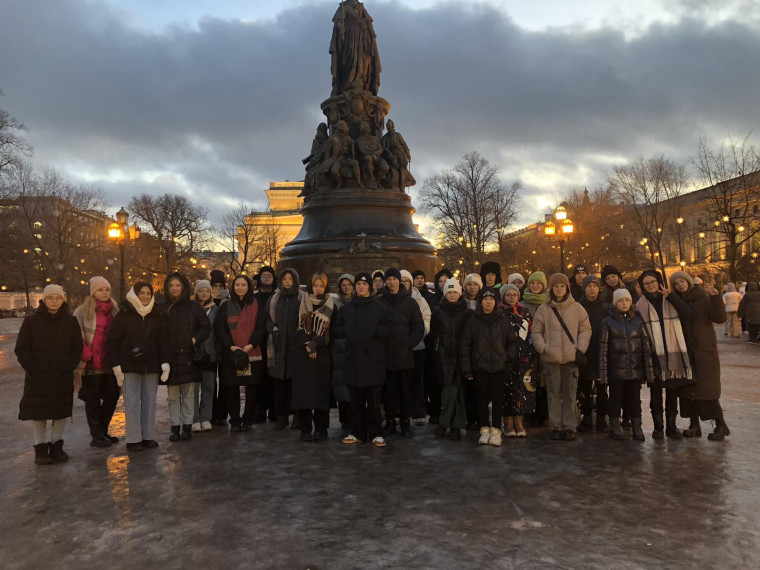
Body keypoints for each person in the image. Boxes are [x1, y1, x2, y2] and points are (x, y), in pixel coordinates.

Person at [16, 284, 83, 465]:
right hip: (38, 376)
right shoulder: (31, 322)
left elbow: (77, 347)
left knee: (60, 411)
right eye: (50, 297)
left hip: (62, 374)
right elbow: (22, 348)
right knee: (39, 413)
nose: (54, 301)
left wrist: (69, 365)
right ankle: (40, 447)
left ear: (63, 300)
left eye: (58, 298)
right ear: (44, 299)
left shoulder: (70, 321)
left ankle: (56, 445)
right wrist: (32, 367)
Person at [107, 282, 169, 452]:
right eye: (141, 293)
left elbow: (162, 341)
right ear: (135, 294)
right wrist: (116, 366)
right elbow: (113, 341)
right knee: (132, 402)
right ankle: (134, 438)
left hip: (151, 365)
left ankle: (148, 436)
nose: (145, 296)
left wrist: (165, 362)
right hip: (129, 366)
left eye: (148, 293)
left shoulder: (157, 314)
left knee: (150, 402)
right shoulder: (123, 314)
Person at [669, 271, 730, 441]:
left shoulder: (703, 297)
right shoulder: (676, 301)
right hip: (686, 351)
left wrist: (716, 298)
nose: (680, 285)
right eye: (676, 283)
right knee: (688, 391)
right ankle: (694, 425)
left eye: (682, 281)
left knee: (707, 391)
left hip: (704, 351)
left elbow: (719, 318)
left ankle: (721, 425)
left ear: (688, 281)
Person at [335, 272, 392, 447]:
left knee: (374, 403)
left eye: (364, 283)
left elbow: (390, 329)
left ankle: (376, 433)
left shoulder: (380, 307)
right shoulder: (346, 309)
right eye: (358, 283)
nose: (360, 286)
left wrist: (375, 332)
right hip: (353, 360)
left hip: (373, 360)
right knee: (356, 402)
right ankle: (357, 432)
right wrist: (348, 331)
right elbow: (337, 330)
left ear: (370, 287)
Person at [532, 273, 591, 441]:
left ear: (567, 288)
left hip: (571, 359)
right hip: (551, 359)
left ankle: (570, 426)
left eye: (562, 286)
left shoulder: (577, 308)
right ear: (551, 289)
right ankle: (556, 426)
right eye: (556, 286)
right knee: (553, 394)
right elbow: (536, 332)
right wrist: (543, 348)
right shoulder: (543, 309)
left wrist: (579, 349)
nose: (559, 289)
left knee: (570, 393)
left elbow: (585, 329)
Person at [636, 269, 690, 439]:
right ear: (642, 287)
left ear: (659, 282)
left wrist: (671, 297)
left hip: (674, 354)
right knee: (656, 393)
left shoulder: (670, 299)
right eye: (646, 283)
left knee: (672, 391)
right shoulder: (640, 305)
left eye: (653, 282)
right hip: (653, 354)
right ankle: (658, 427)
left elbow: (688, 314)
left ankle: (671, 427)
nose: (650, 285)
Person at [159, 272, 211, 442]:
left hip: (189, 355)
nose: (174, 289)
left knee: (188, 394)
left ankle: (187, 426)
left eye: (177, 285)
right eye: (171, 286)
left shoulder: (193, 307)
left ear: (184, 287)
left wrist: (195, 338)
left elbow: (205, 326)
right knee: (173, 396)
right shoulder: (162, 307)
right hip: (170, 357)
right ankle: (175, 427)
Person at [460, 287, 515, 446]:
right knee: (482, 400)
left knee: (498, 400)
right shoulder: (473, 321)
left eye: (491, 299)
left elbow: (512, 342)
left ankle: (497, 430)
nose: (488, 302)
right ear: (480, 302)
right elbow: (465, 345)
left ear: (496, 302)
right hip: (480, 367)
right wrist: (467, 368)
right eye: (485, 299)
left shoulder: (503, 320)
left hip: (499, 368)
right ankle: (484, 428)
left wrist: (507, 359)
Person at [599, 289, 653, 441]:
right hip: (616, 371)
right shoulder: (607, 322)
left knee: (635, 400)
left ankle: (637, 427)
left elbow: (646, 347)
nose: (624, 303)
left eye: (627, 300)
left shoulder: (637, 321)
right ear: (615, 303)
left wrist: (648, 371)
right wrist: (603, 374)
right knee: (615, 399)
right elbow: (603, 349)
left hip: (634, 370)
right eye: (621, 301)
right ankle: (615, 427)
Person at [73, 276, 121, 448]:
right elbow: (76, 334)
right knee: (92, 402)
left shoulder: (115, 310)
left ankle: (103, 430)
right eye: (100, 290)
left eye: (107, 290)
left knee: (112, 397)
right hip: (91, 365)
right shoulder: (82, 311)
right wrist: (85, 351)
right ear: (93, 292)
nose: (104, 293)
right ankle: (96, 435)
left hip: (110, 363)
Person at [214, 275, 266, 433]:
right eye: (238, 284)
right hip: (232, 353)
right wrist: (231, 347)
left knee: (252, 389)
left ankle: (248, 420)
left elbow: (261, 327)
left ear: (249, 287)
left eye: (244, 284)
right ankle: (235, 420)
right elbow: (220, 328)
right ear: (233, 287)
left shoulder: (256, 304)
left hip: (252, 352)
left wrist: (251, 345)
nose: (240, 287)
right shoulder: (226, 306)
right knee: (231, 388)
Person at [378, 267, 425, 437]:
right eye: (388, 279)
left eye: (394, 279)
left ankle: (405, 421)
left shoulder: (410, 302)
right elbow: (376, 325)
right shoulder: (380, 301)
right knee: (389, 390)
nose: (391, 282)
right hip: (387, 354)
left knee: (405, 389)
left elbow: (418, 326)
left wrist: (409, 344)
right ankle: (391, 420)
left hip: (404, 354)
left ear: (400, 281)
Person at [289, 274, 335, 442]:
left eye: (321, 286)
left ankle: (321, 429)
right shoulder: (301, 303)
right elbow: (297, 327)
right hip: (303, 354)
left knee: (321, 394)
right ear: (310, 286)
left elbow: (333, 331)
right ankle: (305, 428)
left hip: (322, 354)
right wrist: (307, 344)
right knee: (303, 394)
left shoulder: (331, 305)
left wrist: (316, 344)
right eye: (315, 285)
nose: (318, 288)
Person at [429, 278, 473, 440]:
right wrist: (435, 354)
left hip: (462, 357)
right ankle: (450, 423)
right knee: (448, 391)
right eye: (449, 292)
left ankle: (451, 424)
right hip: (444, 357)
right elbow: (433, 336)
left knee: (458, 392)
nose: (452, 295)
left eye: (455, 292)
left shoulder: (468, 313)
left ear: (460, 293)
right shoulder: (438, 312)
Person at [265, 268, 306, 429]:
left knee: (296, 385)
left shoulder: (302, 298)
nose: (287, 281)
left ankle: (297, 416)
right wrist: (272, 328)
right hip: (278, 347)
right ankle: (282, 416)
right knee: (280, 386)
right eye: (284, 279)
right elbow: (266, 318)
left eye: (290, 279)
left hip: (296, 347)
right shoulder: (274, 299)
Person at [498, 284, 536, 437]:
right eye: (508, 295)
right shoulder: (499, 313)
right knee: (507, 390)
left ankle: (519, 420)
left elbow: (532, 333)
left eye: (514, 295)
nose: (512, 297)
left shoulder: (525, 312)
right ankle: (507, 421)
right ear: (503, 296)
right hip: (505, 356)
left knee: (523, 389)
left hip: (525, 357)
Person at [577, 275, 609, 433]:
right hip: (585, 352)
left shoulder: (606, 307)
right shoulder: (578, 306)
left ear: (599, 288)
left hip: (602, 352)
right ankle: (587, 416)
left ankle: (602, 418)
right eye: (588, 286)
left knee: (602, 388)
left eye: (594, 286)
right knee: (585, 388)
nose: (591, 289)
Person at [400, 270, 431, 426]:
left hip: (417, 346)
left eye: (407, 281)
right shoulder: (392, 299)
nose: (404, 283)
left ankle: (419, 412)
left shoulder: (420, 299)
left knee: (417, 381)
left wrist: (415, 338)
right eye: (402, 280)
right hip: (398, 348)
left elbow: (426, 319)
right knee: (400, 382)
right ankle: (401, 412)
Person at [521, 271, 549, 426]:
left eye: (538, 283)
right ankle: (529, 411)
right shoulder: (523, 303)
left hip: (546, 345)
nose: (535, 286)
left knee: (544, 379)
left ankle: (543, 412)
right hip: (527, 346)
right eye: (532, 283)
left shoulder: (549, 302)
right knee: (529, 378)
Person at [192, 280, 219, 432]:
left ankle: (206, 417)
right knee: (194, 389)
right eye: (201, 290)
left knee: (209, 387)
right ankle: (195, 418)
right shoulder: (191, 308)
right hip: (194, 354)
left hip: (210, 354)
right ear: (196, 292)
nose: (204, 293)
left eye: (207, 291)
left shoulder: (215, 310)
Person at [253, 266, 278, 423]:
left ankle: (275, 409)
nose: (267, 277)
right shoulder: (254, 298)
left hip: (274, 340)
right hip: (258, 341)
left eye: (270, 275)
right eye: (264, 275)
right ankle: (260, 408)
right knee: (259, 377)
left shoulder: (278, 296)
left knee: (274, 377)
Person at [332, 274, 355, 429]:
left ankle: (354, 416)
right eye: (343, 285)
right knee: (341, 384)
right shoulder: (334, 303)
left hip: (354, 345)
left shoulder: (359, 301)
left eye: (349, 284)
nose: (346, 287)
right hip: (340, 347)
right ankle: (344, 418)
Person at [209, 269, 230, 426]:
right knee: (210, 383)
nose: (218, 289)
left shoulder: (228, 302)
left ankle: (221, 413)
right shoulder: (205, 300)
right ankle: (210, 412)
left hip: (224, 347)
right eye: (215, 285)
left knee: (224, 382)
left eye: (220, 285)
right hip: (209, 347)